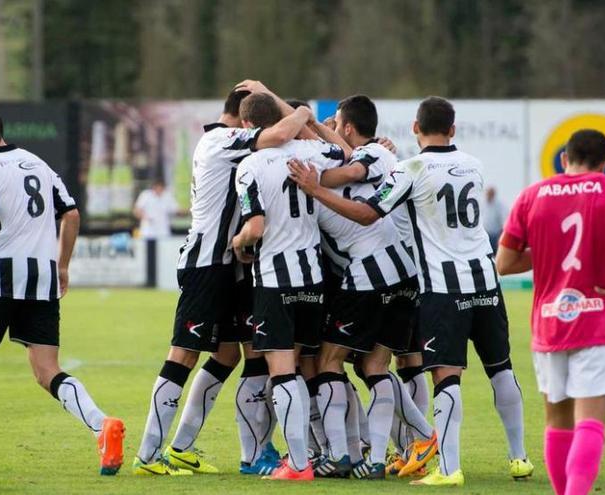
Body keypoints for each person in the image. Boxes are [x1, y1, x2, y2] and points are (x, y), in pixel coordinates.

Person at [288, 96, 532, 487]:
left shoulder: (410, 169)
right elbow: (362, 166)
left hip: (441, 286)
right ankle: (519, 457)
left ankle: (447, 468)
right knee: (500, 368)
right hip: (485, 279)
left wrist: (316, 188)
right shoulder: (473, 165)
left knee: (445, 377)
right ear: (453, 129)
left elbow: (368, 213)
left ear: (415, 128)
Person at [133, 86, 314, 476]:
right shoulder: (219, 140)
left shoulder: (238, 146)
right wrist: (301, 112)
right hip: (207, 264)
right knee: (182, 354)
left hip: (234, 265)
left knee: (237, 353)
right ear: (245, 121)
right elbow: (282, 134)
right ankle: (148, 455)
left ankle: (197, 449)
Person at [0, 103, 125, 476]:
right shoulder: (38, 164)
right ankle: (102, 426)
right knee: (48, 369)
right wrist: (62, 265)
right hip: (43, 276)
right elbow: (72, 214)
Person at [497, 129, 605, 495]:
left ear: (564, 159)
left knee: (557, 421)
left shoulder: (532, 195)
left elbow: (503, 262)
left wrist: (547, 250)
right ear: (604, 163)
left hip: (551, 322)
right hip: (598, 317)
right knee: (590, 423)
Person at [306, 95, 436, 480]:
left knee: (329, 361)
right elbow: (346, 158)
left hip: (368, 276)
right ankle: (391, 452)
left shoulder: (343, 165)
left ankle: (343, 453)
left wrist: (312, 184)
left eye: (335, 122)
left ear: (346, 128)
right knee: (375, 365)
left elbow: (349, 189)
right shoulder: (378, 157)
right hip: (406, 273)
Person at [232, 92, 349, 482]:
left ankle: (298, 464)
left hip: (274, 280)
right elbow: (347, 155)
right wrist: (306, 120)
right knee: (299, 369)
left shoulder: (249, 164)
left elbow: (256, 227)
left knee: (281, 372)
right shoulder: (310, 152)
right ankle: (312, 455)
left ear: (248, 126)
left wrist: (238, 244)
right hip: (312, 279)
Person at [482, 186, 508, 252]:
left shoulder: (499, 205)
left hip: (495, 234)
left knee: (495, 251)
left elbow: (504, 218)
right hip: (484, 233)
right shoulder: (482, 203)